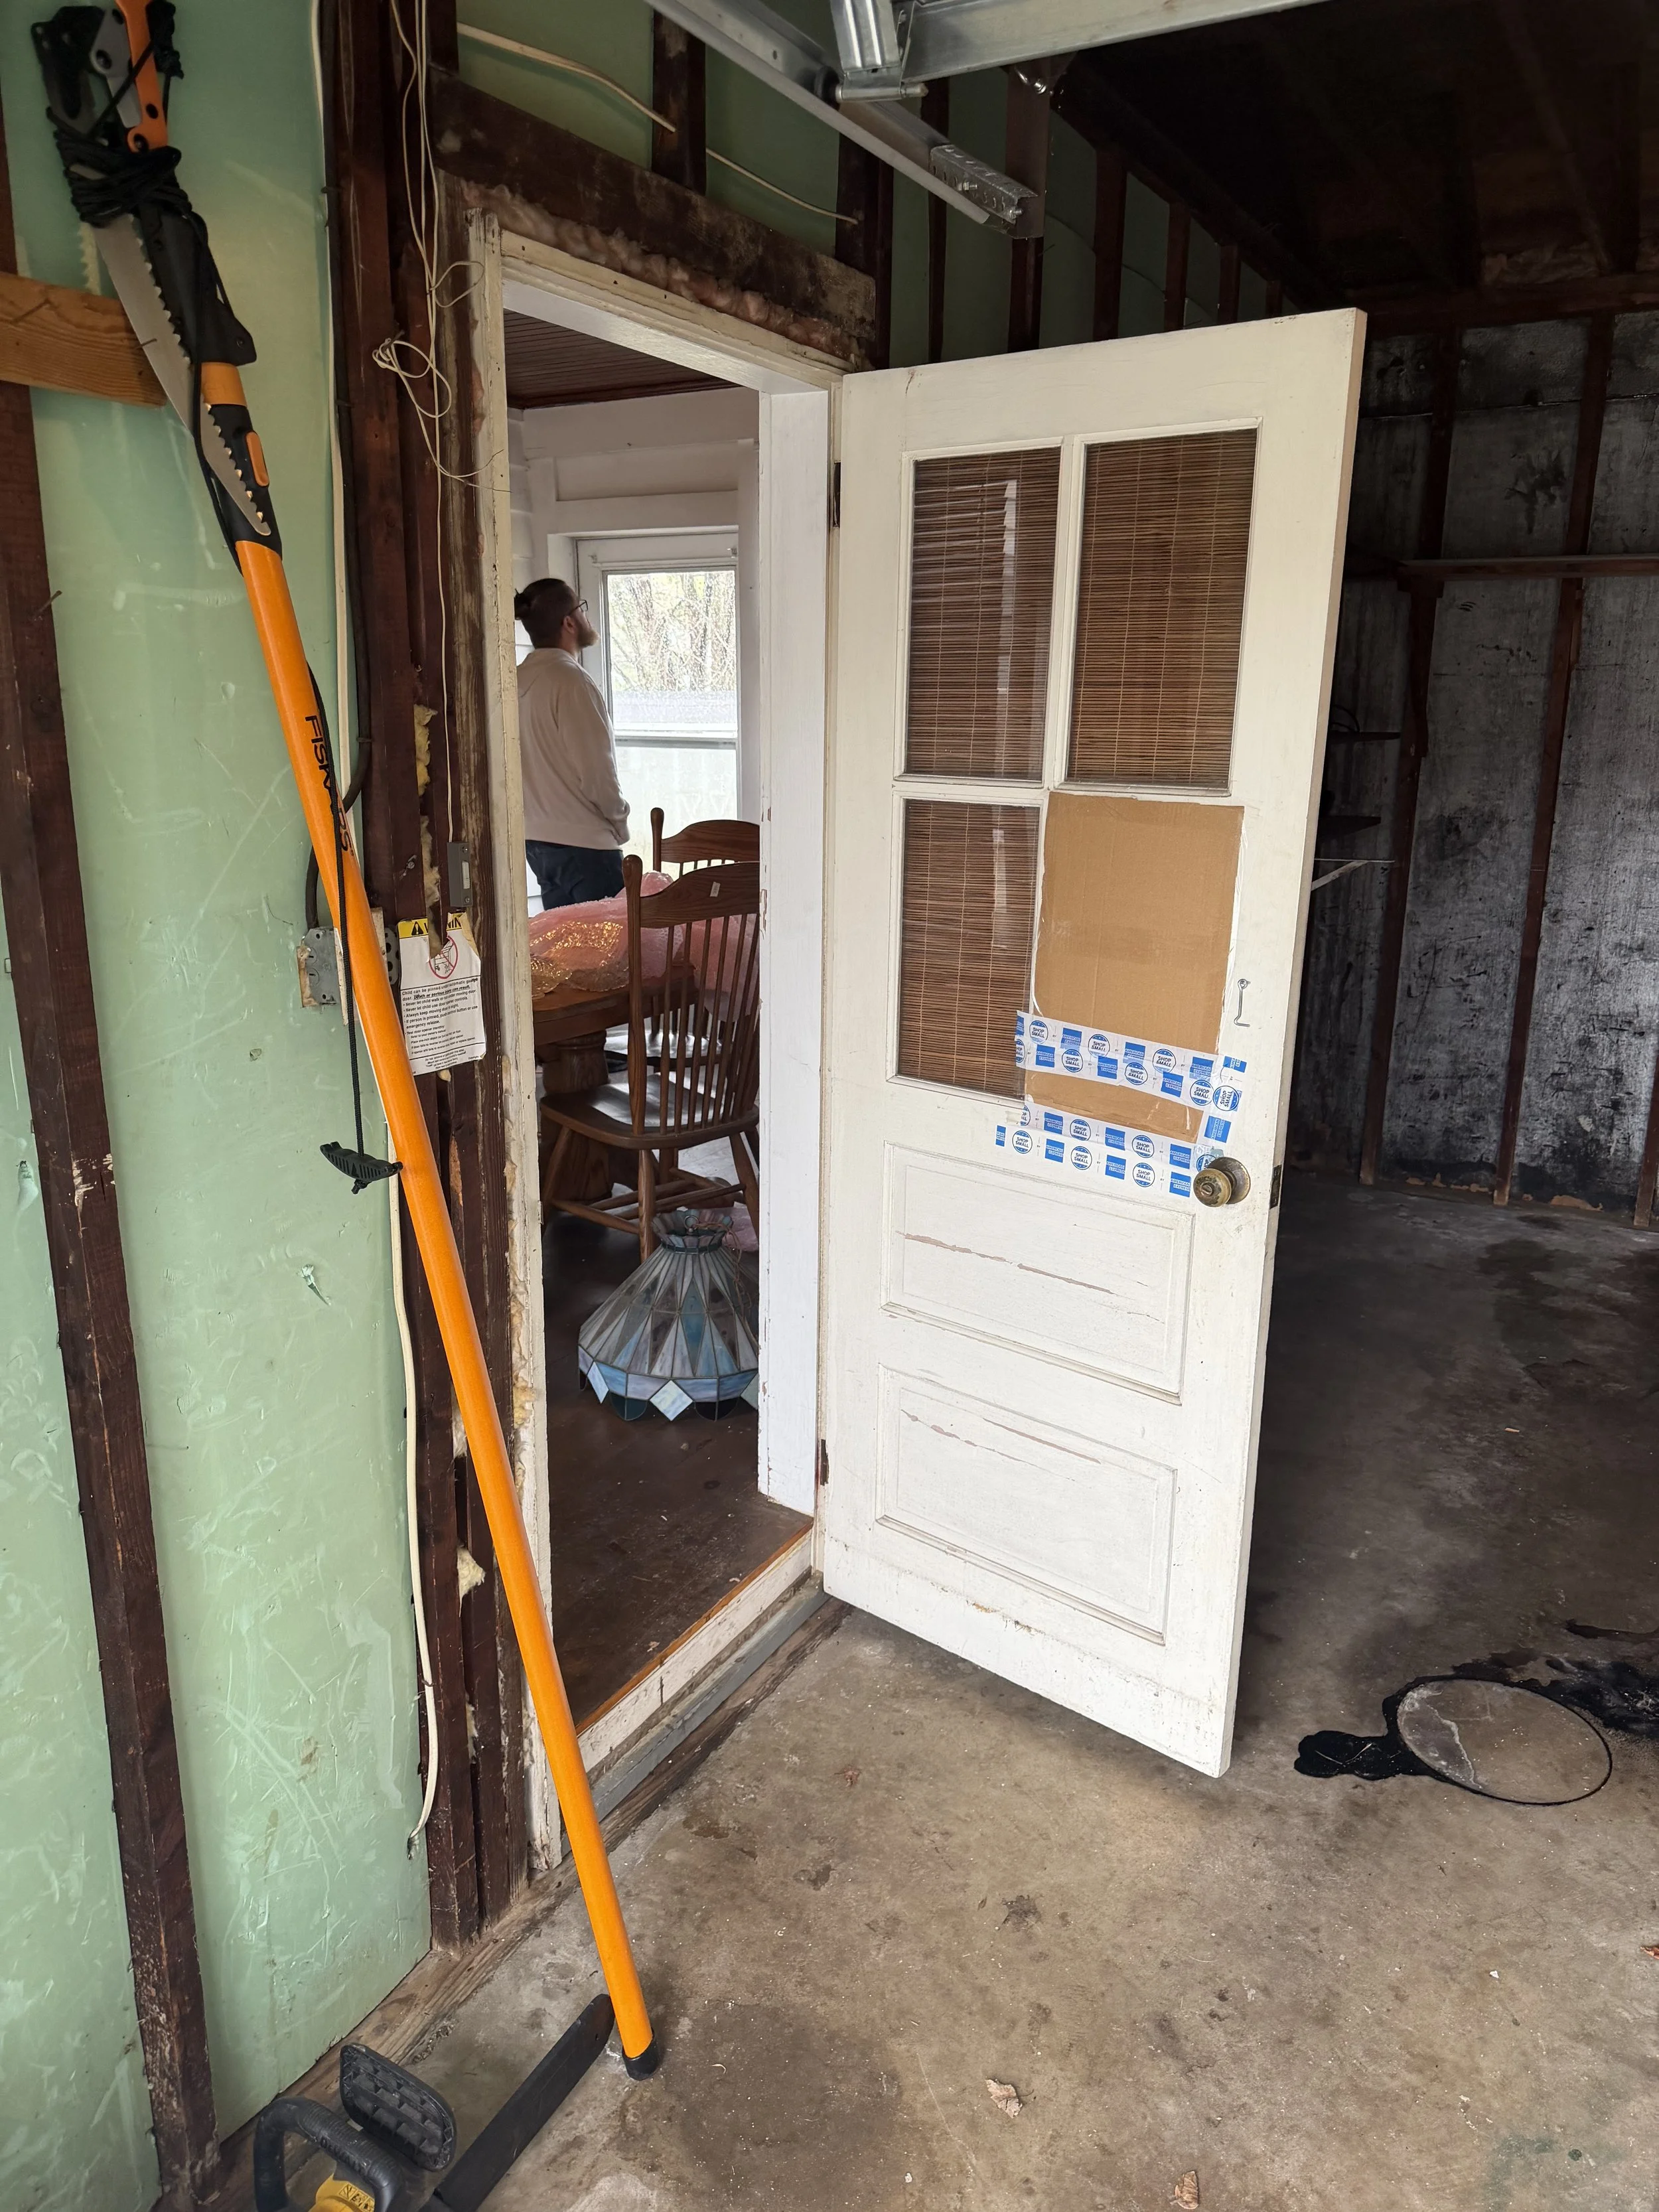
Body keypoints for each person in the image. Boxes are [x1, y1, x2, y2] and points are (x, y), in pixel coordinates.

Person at [515, 575, 630, 911]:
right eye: (582, 608)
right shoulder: (571, 681)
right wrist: (619, 821)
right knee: (611, 957)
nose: (585, 616)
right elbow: (596, 769)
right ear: (569, 621)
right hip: (586, 845)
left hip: (538, 842)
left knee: (565, 958)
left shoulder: (517, 681)